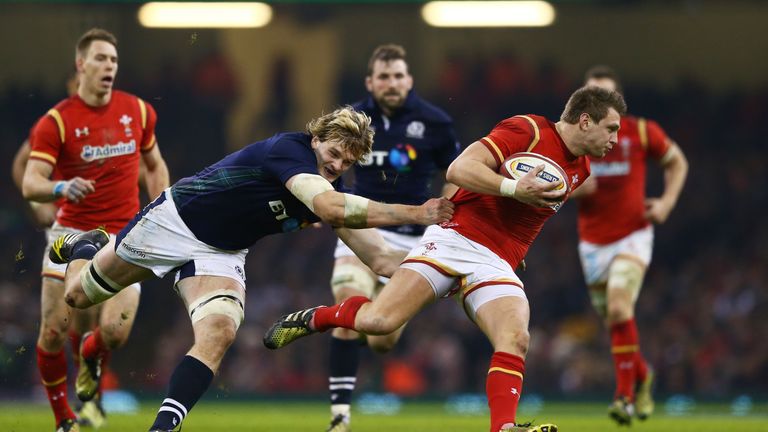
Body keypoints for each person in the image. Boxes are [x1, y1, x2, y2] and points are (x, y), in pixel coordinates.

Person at [51, 106, 454, 432]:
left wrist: (444, 270)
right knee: (77, 296)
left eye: (345, 162)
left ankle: (163, 427)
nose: (335, 166)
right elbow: (331, 208)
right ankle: (86, 245)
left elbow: (383, 260)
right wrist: (416, 213)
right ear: (315, 139)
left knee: (220, 331)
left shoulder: (333, 188)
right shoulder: (288, 152)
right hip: (173, 222)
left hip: (221, 252)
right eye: (332, 154)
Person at [264, 86, 627, 432]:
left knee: (515, 337)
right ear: (584, 120)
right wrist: (512, 187)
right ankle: (317, 317)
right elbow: (458, 170)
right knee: (379, 322)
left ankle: (503, 426)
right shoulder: (527, 129)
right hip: (454, 239)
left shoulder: (582, 170)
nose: (614, 138)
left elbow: (522, 217)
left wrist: (518, 250)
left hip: (497, 261)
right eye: (611, 128)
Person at [22, 28, 170, 432]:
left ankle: (90, 355)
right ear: (81, 64)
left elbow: (154, 165)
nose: (109, 67)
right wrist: (59, 186)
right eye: (101, 59)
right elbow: (30, 180)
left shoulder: (138, 112)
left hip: (125, 236)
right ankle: (63, 418)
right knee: (54, 329)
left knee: (115, 333)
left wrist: (162, 210)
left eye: (114, 60)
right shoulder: (57, 121)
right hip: (70, 233)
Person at [325, 44, 461, 432]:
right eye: (384, 76)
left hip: (413, 239)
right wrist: (319, 201)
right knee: (348, 300)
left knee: (382, 337)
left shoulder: (434, 122)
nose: (392, 83)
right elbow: (325, 163)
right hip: (361, 229)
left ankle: (381, 324)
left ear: (410, 80)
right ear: (371, 82)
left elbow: (456, 174)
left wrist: (445, 218)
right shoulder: (351, 119)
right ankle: (340, 415)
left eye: (398, 75)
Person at [570, 66, 688, 425]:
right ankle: (642, 374)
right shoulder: (574, 140)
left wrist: (666, 203)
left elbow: (677, 161)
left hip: (633, 234)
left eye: (606, 94)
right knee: (616, 324)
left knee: (620, 309)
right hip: (592, 243)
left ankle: (624, 397)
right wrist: (574, 188)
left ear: (618, 101)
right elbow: (554, 186)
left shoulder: (639, 131)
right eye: (592, 95)